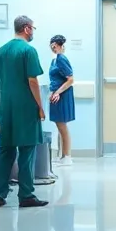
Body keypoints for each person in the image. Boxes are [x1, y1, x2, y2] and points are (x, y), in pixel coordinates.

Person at [0, 16, 49, 208]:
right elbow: (32, 81)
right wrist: (40, 107)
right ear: (26, 29)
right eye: (33, 28)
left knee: (5, 151)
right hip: (25, 107)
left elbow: (1, 76)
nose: (33, 32)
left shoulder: (1, 51)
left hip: (6, 107)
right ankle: (26, 195)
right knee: (27, 151)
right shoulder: (28, 51)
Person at [48, 35, 76, 166]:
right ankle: (63, 155)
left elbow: (70, 79)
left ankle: (67, 156)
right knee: (59, 125)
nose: (53, 47)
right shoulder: (55, 60)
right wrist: (53, 92)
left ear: (58, 45)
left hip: (62, 95)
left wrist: (58, 92)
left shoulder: (61, 59)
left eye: (54, 45)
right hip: (56, 94)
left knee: (62, 125)